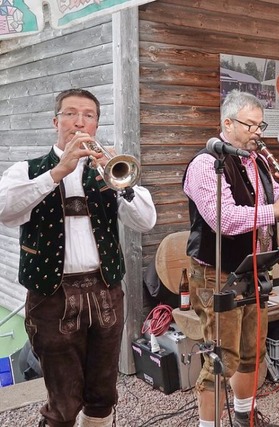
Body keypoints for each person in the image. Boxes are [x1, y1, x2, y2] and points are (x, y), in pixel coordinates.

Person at [0, 88, 157, 427]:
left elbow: (146, 221)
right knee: (64, 400)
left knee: (103, 394)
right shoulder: (26, 171)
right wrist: (57, 172)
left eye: (88, 115)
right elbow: (5, 211)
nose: (79, 122)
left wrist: (120, 184)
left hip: (105, 293)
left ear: (97, 125)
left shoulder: (109, 172)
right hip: (52, 298)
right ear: (56, 121)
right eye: (71, 113)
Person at [182, 90, 279, 427]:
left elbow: (273, 215)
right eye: (250, 125)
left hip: (253, 268)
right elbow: (224, 220)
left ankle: (244, 416)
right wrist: (275, 207)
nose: (258, 132)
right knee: (221, 357)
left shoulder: (259, 162)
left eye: (260, 124)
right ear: (227, 123)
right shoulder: (207, 164)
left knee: (253, 351)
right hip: (217, 272)